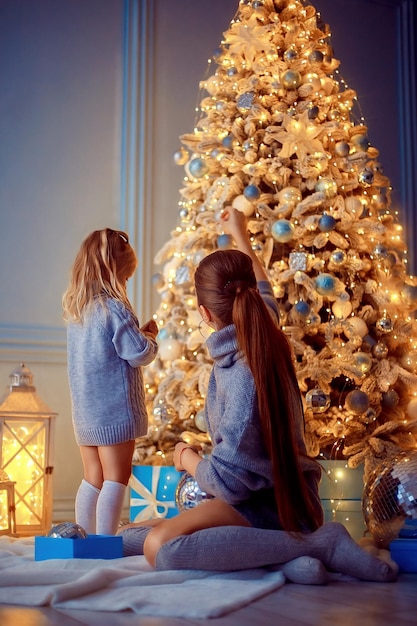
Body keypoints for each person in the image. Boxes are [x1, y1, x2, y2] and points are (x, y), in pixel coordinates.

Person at [119, 209, 398, 584]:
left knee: (161, 548)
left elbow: (230, 483)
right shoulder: (264, 327)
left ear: (204, 313)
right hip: (259, 502)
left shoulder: (242, 376)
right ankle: (286, 560)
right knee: (128, 537)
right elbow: (262, 286)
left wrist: (187, 458)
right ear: (244, 294)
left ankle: (320, 545)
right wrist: (239, 234)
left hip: (272, 506)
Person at [62, 228, 158, 535]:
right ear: (114, 273)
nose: (126, 284)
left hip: (86, 412)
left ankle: (82, 537)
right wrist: (151, 336)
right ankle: (105, 541)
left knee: (93, 477)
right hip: (114, 410)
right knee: (117, 476)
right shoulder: (115, 308)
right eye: (126, 278)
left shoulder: (78, 311)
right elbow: (138, 353)